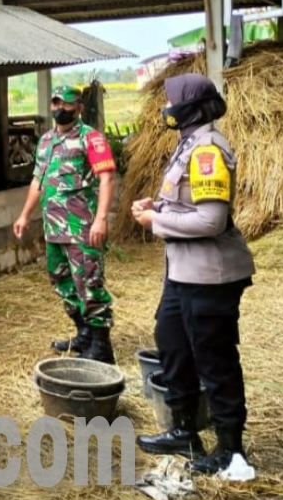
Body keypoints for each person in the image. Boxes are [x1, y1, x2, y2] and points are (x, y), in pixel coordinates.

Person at [130, 73, 256, 477]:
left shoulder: (208, 151)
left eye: (172, 102)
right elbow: (186, 203)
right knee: (172, 344)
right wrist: (159, 206)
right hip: (183, 273)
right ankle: (184, 429)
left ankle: (231, 449)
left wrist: (154, 221)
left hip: (211, 276)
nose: (166, 109)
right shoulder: (188, 145)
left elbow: (211, 221)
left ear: (191, 108)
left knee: (214, 360)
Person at [13, 85, 118, 364]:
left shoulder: (90, 138)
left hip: (83, 226)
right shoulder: (46, 140)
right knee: (61, 280)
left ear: (79, 107)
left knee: (89, 281)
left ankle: (101, 346)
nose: (61, 109)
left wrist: (101, 219)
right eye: (57, 103)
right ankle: (83, 334)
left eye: (67, 105)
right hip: (54, 228)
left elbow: (106, 178)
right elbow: (38, 181)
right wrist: (24, 215)